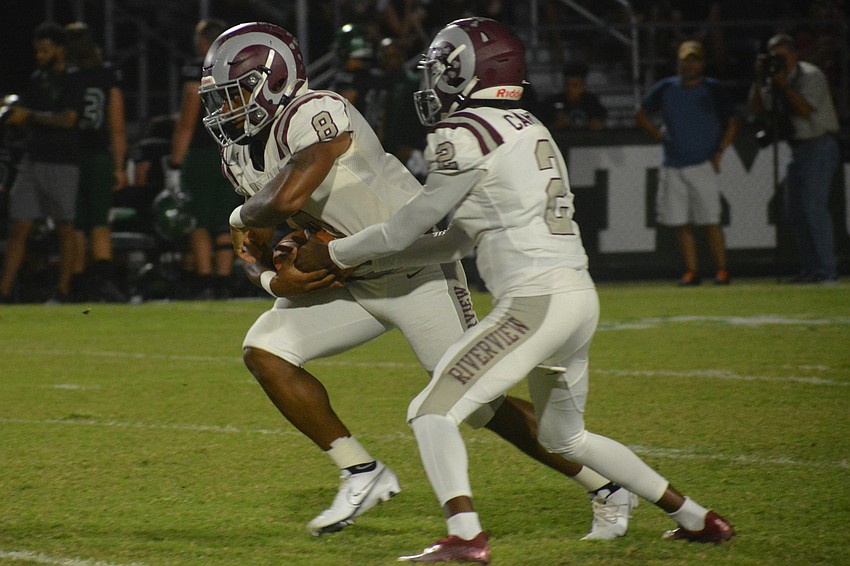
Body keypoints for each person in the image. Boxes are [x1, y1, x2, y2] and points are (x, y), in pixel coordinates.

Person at [297, 18, 735, 562]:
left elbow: (408, 225)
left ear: (468, 72)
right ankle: (698, 519)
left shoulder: (462, 133)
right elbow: (454, 241)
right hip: (577, 296)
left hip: (535, 301)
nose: (432, 82)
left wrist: (335, 252)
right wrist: (363, 262)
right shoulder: (529, 125)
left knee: (431, 411)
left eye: (441, 70)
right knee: (565, 439)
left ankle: (465, 537)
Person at [200, 21, 637, 540]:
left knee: (481, 407)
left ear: (275, 82)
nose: (225, 109)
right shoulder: (236, 154)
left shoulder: (316, 110)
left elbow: (284, 201)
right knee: (265, 351)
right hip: (351, 279)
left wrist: (241, 216)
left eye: (235, 93)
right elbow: (250, 246)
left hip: (415, 269)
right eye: (220, 98)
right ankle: (361, 471)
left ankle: (606, 486)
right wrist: (275, 283)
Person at [635, 40, 739, 286]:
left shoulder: (712, 89)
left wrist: (719, 151)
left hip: (702, 163)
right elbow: (640, 113)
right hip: (674, 164)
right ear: (679, 63)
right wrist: (659, 136)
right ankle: (692, 271)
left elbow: (733, 122)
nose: (690, 65)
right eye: (686, 60)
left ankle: (722, 270)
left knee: (711, 219)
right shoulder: (666, 88)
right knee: (681, 222)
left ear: (702, 63)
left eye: (695, 60)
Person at [1, 22, 84, 304]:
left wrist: (30, 116)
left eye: (45, 50)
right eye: (37, 50)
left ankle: (63, 291)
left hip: (62, 161)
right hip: (33, 158)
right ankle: (4, 292)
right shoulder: (37, 78)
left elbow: (68, 119)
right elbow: (29, 116)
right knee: (18, 226)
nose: (39, 56)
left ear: (60, 50)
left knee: (64, 226)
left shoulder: (72, 79)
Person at [748, 34, 840, 285]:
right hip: (796, 148)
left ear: (794, 55)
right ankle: (811, 269)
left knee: (814, 208)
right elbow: (757, 109)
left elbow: (805, 109)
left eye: (783, 57)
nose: (779, 62)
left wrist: (784, 86)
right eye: (774, 57)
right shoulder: (771, 79)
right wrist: (759, 78)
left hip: (819, 144)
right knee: (796, 211)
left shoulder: (810, 75)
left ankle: (827, 271)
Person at [168, 18, 240, 300]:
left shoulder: (198, 69)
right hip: (234, 150)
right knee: (224, 219)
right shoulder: (239, 66)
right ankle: (223, 281)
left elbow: (188, 121)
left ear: (203, 41)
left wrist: (175, 163)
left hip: (202, 153)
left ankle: (206, 279)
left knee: (198, 220)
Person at [64, 22, 129, 303]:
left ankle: (78, 282)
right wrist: (119, 165)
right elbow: (117, 125)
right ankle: (102, 281)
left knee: (77, 224)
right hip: (99, 155)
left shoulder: (65, 76)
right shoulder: (106, 75)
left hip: (71, 155)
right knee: (99, 222)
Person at [541, 61, 607, 132]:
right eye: (570, 85)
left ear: (583, 86)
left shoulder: (592, 101)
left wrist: (597, 124)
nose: (572, 89)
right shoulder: (552, 101)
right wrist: (555, 125)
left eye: (577, 85)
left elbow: (600, 119)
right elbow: (543, 125)